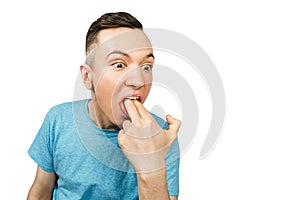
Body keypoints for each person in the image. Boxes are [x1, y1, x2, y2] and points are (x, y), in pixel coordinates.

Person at [27, 12, 181, 200]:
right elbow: (41, 191)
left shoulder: (162, 135)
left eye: (146, 66)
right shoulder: (57, 120)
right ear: (87, 77)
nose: (138, 80)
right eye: (119, 65)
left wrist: (151, 167)